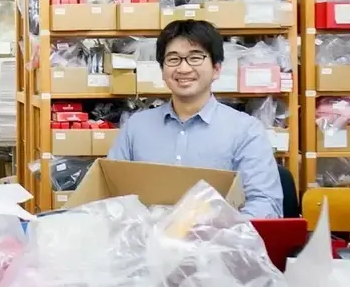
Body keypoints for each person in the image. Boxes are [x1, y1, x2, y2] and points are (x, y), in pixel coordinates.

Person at [106, 20, 283, 218]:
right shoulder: (136, 127)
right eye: (173, 59)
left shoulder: (246, 130)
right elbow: (110, 195)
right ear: (162, 70)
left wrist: (219, 231)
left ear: (216, 68)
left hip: (218, 236)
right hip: (147, 236)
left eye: (195, 58)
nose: (183, 68)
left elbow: (265, 204)